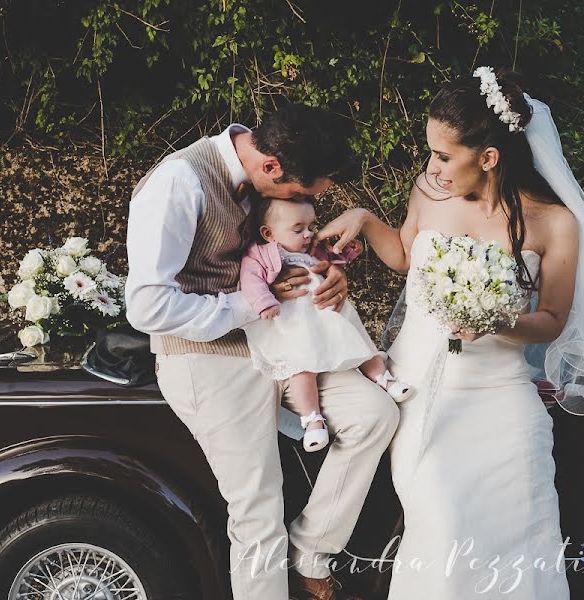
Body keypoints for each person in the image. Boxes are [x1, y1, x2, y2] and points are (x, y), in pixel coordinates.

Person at [315, 67, 584, 597]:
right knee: (443, 523)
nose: (432, 166)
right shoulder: (430, 193)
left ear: (489, 157)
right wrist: (364, 217)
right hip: (427, 397)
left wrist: (498, 320)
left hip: (503, 400)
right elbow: (406, 256)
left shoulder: (554, 224)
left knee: (523, 536)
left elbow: (552, 320)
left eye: (443, 155)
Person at [125, 104, 400, 600]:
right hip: (206, 355)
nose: (303, 203)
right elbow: (147, 306)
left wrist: (326, 272)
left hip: (285, 344)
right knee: (257, 509)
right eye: (299, 193)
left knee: (375, 413)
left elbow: (287, 251)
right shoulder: (178, 183)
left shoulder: (266, 175)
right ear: (270, 167)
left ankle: (311, 548)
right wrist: (253, 303)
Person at [240, 196, 413, 452]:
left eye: (311, 226)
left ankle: (384, 378)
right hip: (295, 325)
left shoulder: (310, 251)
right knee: (302, 369)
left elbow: (336, 257)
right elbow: (250, 279)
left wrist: (349, 248)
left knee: (358, 344)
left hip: (327, 315)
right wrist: (264, 302)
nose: (308, 234)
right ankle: (312, 420)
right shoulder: (261, 254)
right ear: (268, 233)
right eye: (298, 229)